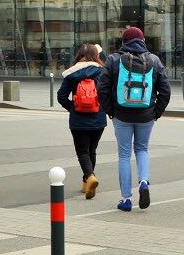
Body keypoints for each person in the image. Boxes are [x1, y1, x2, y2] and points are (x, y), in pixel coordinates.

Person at [99, 25, 170, 213]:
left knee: (124, 155)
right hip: (146, 114)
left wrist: (110, 111)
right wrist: (156, 112)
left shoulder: (113, 60)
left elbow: (102, 88)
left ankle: (126, 199)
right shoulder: (154, 60)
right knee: (142, 149)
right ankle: (144, 182)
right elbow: (165, 90)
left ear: (123, 42)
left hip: (121, 114)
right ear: (143, 41)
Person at [57, 43, 108, 199]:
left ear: (79, 55)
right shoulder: (102, 72)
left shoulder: (72, 73)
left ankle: (90, 177)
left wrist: (74, 108)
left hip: (78, 120)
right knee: (92, 150)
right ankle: (87, 181)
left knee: (82, 151)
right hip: (98, 119)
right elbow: (107, 94)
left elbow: (61, 96)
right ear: (96, 56)